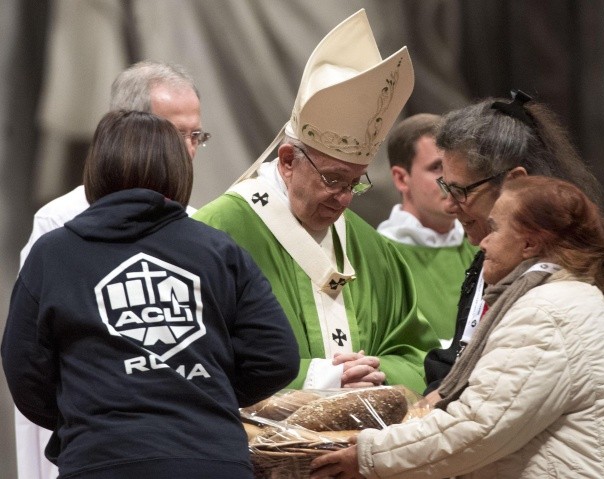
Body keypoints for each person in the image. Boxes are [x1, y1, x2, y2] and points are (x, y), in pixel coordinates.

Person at [3, 110, 300, 478]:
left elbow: (24, 371)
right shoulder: (218, 250)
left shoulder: (53, 255)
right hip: (210, 458)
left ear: (96, 170)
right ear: (177, 170)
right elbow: (277, 356)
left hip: (100, 459)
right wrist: (205, 392)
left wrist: (82, 407)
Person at [310, 175, 604, 478]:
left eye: (495, 229)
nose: (483, 242)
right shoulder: (561, 299)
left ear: (530, 244)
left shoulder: (548, 311)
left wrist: (370, 455)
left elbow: (479, 427)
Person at [193, 9, 436, 393]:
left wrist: (377, 372)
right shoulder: (216, 234)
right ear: (288, 161)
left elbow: (415, 353)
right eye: (333, 179)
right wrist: (317, 379)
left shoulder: (373, 250)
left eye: (355, 183)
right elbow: (198, 354)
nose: (343, 199)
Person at [420, 90, 604, 468]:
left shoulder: (586, 273)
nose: (449, 205)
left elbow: (500, 408)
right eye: (446, 187)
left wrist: (377, 454)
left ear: (514, 181)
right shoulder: (489, 261)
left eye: (460, 190)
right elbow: (465, 357)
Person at [15, 60, 210, 479]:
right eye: (175, 134)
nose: (188, 149)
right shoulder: (58, 224)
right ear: (128, 127)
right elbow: (32, 360)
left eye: (196, 136)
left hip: (184, 444)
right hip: (92, 446)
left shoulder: (200, 229)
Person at [377, 113, 477, 345]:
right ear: (402, 179)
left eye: (455, 167)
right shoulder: (379, 255)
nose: (451, 180)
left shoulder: (484, 245)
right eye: (437, 168)